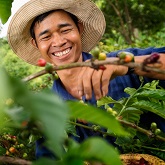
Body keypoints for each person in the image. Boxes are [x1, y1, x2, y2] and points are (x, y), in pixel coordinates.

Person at [7, 0, 165, 159]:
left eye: (65, 30)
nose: (59, 42)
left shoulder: (120, 62)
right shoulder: (46, 112)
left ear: (80, 28)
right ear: (36, 44)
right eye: (46, 37)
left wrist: (125, 66)